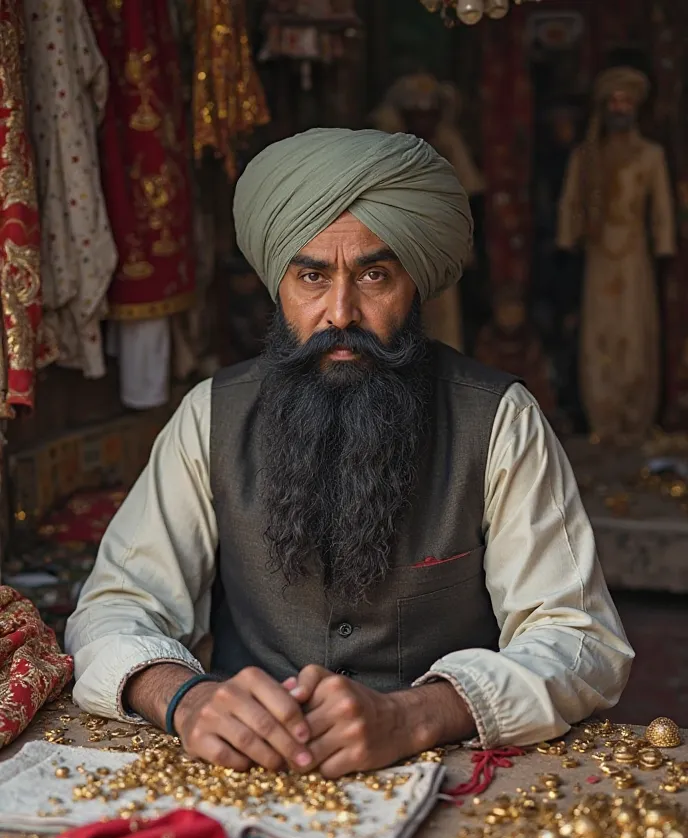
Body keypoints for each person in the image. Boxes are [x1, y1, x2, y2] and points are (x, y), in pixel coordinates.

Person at [66, 128, 633, 780]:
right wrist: (186, 699)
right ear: (277, 283)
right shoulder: (211, 414)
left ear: (413, 283)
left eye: (374, 275)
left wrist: (417, 715)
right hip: (244, 771)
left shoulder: (499, 417)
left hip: (446, 772)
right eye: (312, 276)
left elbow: (580, 638)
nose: (341, 311)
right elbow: (114, 606)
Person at [557, 66, 676, 444]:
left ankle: (636, 418)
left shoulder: (650, 155)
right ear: (604, 106)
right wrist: (569, 237)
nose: (620, 108)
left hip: (634, 255)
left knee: (634, 330)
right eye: (614, 101)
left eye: (627, 101)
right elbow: (571, 201)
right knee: (600, 333)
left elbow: (662, 207)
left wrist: (664, 245)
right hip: (598, 254)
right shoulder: (586, 155)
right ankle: (603, 418)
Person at [371, 73, 485, 352]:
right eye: (416, 113)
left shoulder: (448, 146)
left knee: (443, 321)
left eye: (430, 113)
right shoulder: (389, 150)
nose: (424, 120)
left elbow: (468, 193)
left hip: (440, 249)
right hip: (397, 249)